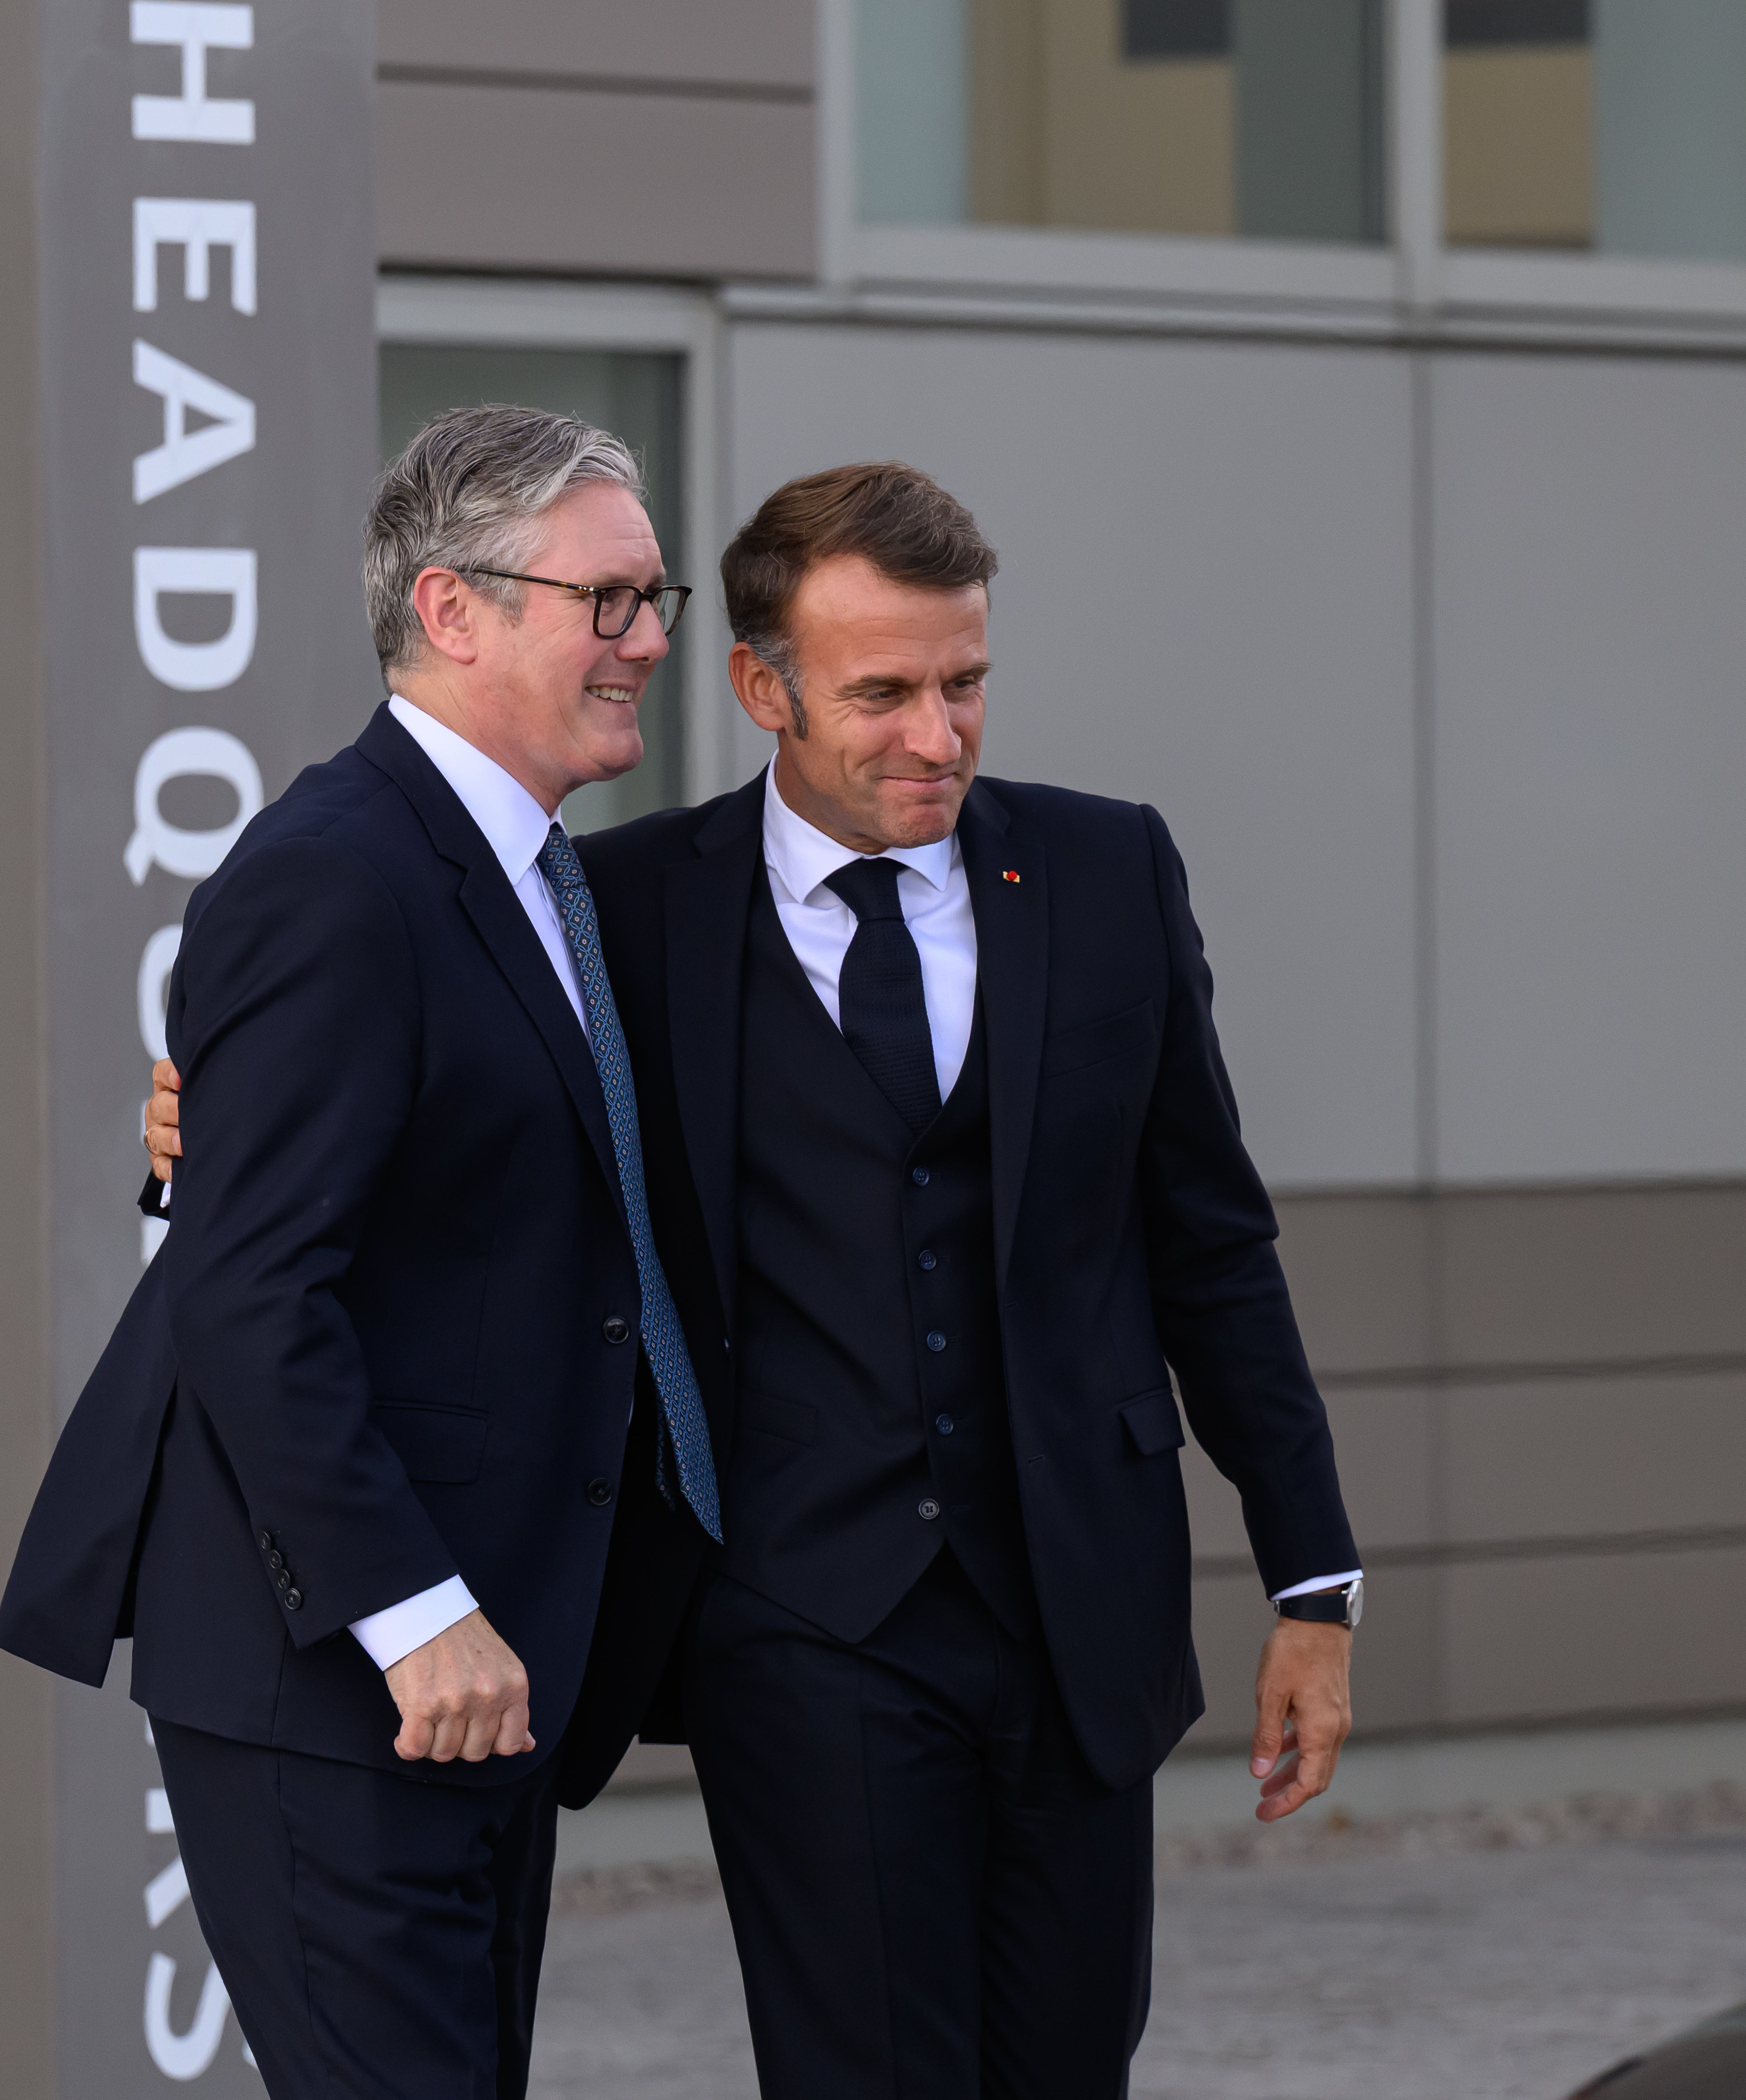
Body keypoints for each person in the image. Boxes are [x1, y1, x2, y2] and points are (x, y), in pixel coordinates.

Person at [146, 461, 1364, 2097]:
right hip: (798, 1626)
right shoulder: (622, 909)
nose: (938, 735)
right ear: (763, 686)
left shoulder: (1107, 876)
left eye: (966, 685)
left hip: (1082, 1608)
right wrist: (192, 1137)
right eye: (884, 693)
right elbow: (434, 1133)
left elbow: (1212, 1243)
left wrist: (1312, 1577)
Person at [0, 403, 724, 2098]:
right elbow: (255, 1289)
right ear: (453, 609)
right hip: (358, 1674)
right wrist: (414, 1616)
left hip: (489, 1670)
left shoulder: (541, 877)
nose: (652, 639)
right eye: (607, 600)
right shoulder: (334, 874)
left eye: (653, 595)